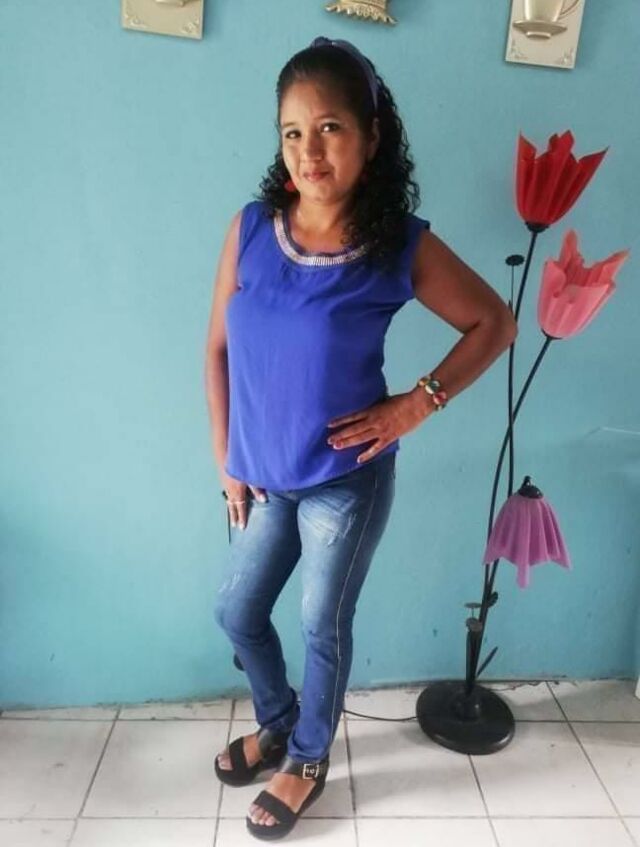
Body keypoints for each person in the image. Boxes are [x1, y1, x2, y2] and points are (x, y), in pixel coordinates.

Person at [204, 35, 517, 840]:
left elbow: (495, 321)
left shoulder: (397, 245)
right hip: (264, 477)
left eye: (331, 128)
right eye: (292, 132)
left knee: (321, 623)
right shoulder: (250, 229)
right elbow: (217, 351)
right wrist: (228, 460)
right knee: (238, 612)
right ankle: (280, 722)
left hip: (346, 479)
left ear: (372, 138)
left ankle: (308, 759)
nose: (309, 151)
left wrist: (417, 403)